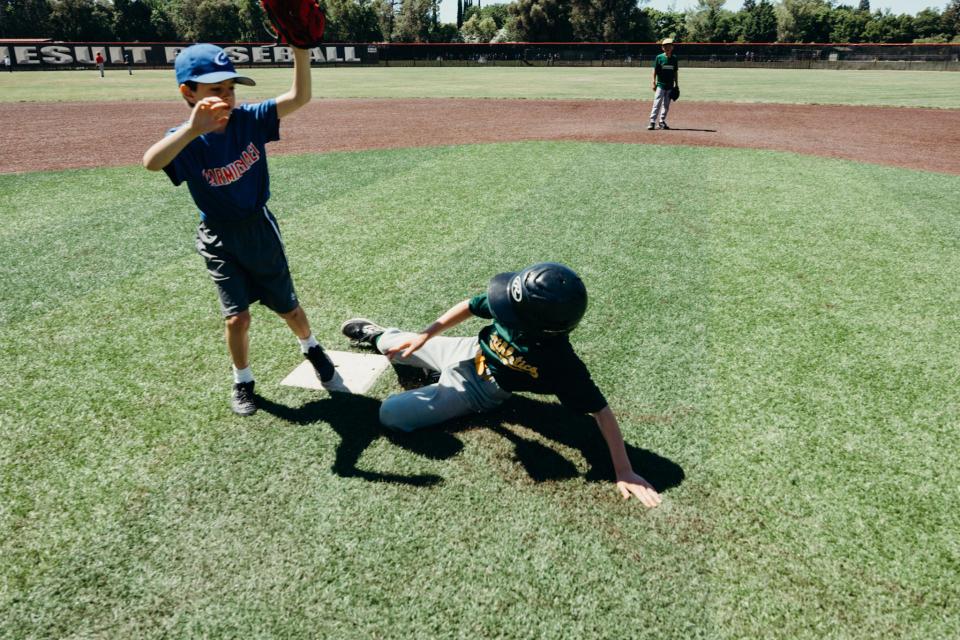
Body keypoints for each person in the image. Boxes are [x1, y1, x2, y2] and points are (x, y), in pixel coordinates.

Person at [340, 263, 663, 508]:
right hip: (471, 349)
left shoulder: (561, 364)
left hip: (483, 390)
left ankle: (434, 381)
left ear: (541, 329)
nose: (501, 308)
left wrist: (623, 469)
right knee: (394, 347)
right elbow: (470, 305)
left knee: (391, 414)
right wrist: (425, 335)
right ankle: (379, 333)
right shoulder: (517, 303)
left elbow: (601, 411)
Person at [142, 43, 334, 416]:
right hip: (217, 237)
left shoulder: (249, 119)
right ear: (188, 93)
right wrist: (191, 130)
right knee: (237, 317)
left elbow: (300, 96)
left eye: (231, 88)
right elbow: (151, 162)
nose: (227, 97)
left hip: (258, 230)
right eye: (216, 90)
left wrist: (300, 52)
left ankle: (311, 346)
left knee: (289, 309)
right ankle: (243, 379)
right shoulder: (184, 138)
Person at [648, 38, 679, 131]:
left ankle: (661, 121)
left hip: (670, 86)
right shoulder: (659, 57)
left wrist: (676, 84)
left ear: (672, 47)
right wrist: (653, 82)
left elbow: (675, 72)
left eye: (670, 46)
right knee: (657, 103)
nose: (668, 47)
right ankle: (652, 122)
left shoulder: (674, 58)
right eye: (665, 46)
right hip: (660, 85)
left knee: (666, 105)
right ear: (663, 48)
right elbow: (655, 70)